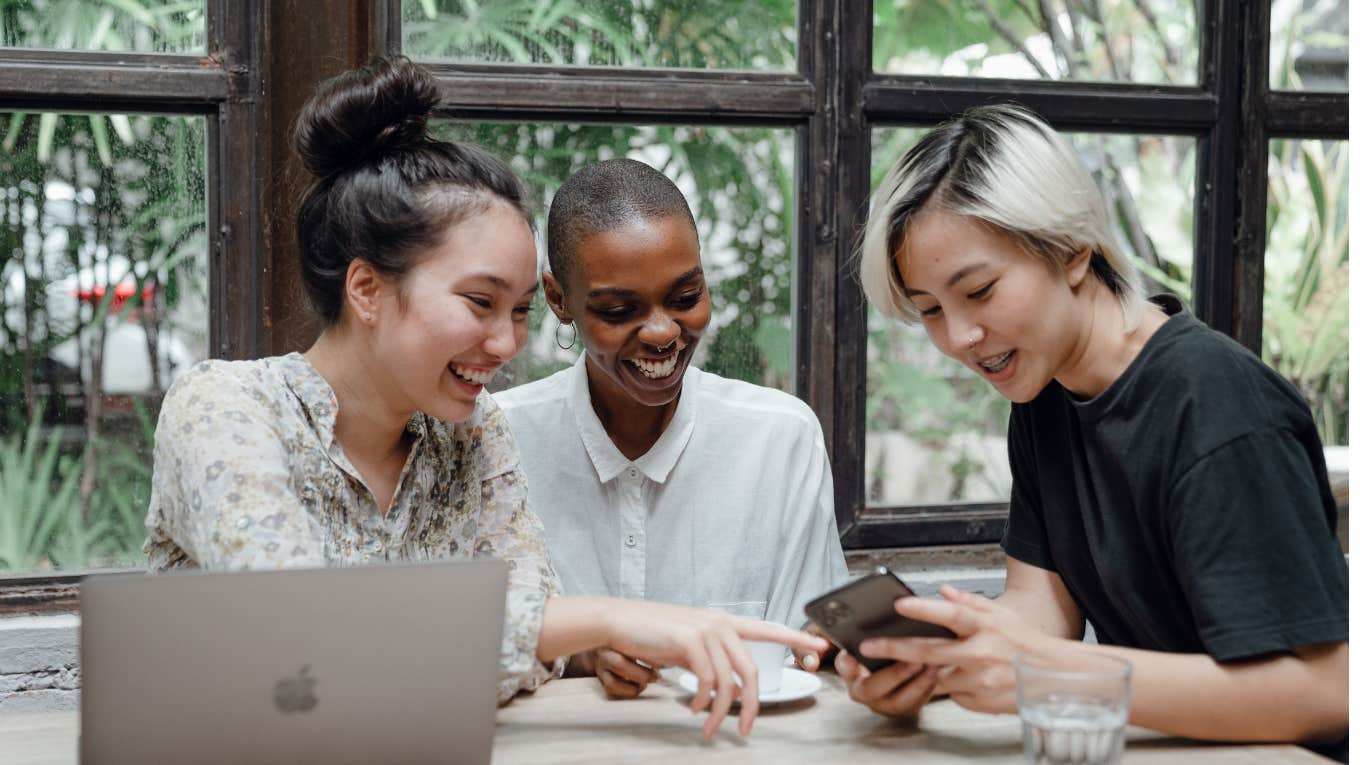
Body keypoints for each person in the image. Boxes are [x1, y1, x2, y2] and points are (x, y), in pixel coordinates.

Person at [142, 56, 826, 740]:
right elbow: (300, 643)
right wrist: (609, 619)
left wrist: (527, 638)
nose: (506, 344)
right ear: (367, 289)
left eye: (522, 310)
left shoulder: (472, 431)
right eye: (479, 302)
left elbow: (531, 652)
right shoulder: (225, 408)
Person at [848, 104, 1348, 758]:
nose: (959, 338)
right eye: (931, 310)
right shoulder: (1044, 391)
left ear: (1073, 250)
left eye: (980, 290)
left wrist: (1044, 672)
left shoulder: (1220, 406)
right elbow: (1043, 606)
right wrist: (935, 661)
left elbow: (1330, 691)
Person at [494, 158, 849, 698]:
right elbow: (461, 646)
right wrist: (583, 652)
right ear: (559, 300)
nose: (662, 333)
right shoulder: (499, 442)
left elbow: (812, 650)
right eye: (617, 310)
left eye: (686, 299)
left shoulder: (780, 440)